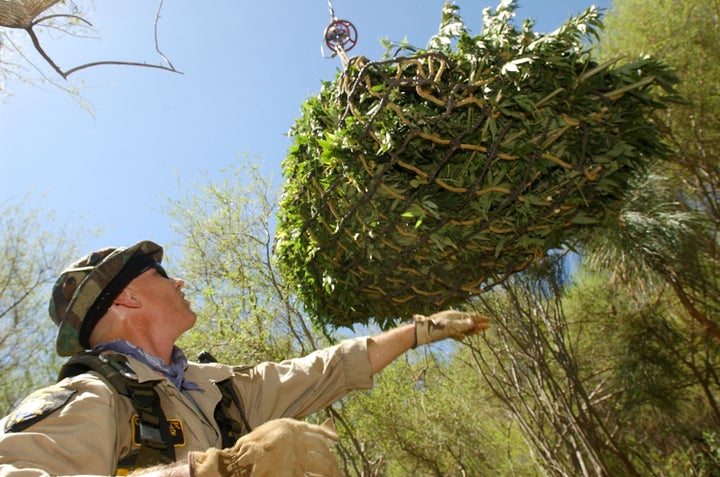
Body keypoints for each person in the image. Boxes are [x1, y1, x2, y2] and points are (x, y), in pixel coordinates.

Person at [0, 240, 489, 477]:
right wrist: (214, 472)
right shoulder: (88, 398)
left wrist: (420, 331)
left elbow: (323, 370)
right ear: (127, 297)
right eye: (161, 272)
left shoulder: (218, 391)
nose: (178, 282)